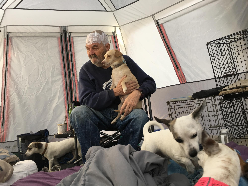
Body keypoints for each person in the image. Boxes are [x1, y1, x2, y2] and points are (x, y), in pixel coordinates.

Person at [70, 30, 156, 163]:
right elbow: (87, 100)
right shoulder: (86, 70)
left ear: (107, 47)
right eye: (87, 49)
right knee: (78, 112)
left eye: (95, 47)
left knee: (140, 116)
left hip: (125, 112)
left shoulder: (124, 61)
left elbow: (150, 82)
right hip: (99, 114)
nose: (90, 52)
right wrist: (115, 92)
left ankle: (122, 159)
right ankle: (93, 162)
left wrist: (137, 92)